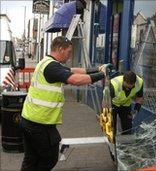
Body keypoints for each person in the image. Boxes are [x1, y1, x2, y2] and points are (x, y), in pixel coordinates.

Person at [20, 36, 106, 171]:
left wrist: (99, 69)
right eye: (69, 52)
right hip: (40, 124)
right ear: (60, 49)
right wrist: (102, 75)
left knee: (31, 160)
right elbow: (75, 79)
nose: (70, 56)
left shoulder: (47, 63)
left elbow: (73, 71)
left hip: (30, 120)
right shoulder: (51, 67)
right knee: (48, 159)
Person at [110, 71, 144, 135]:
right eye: (126, 86)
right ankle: (111, 143)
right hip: (112, 104)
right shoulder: (114, 85)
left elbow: (139, 98)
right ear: (123, 80)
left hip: (126, 104)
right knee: (111, 127)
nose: (128, 89)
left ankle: (126, 142)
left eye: (131, 87)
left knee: (128, 127)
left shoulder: (139, 83)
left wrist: (136, 110)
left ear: (134, 83)